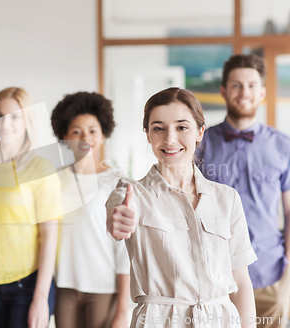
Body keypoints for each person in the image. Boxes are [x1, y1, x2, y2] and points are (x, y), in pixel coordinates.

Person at [107, 87, 257, 328]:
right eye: (158, 128)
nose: (170, 139)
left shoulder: (227, 199)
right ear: (147, 135)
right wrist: (117, 219)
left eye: (181, 127)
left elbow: (241, 281)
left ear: (200, 132)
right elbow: (117, 211)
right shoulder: (132, 193)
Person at [197, 54, 290, 328]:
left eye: (251, 85)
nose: (244, 92)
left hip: (269, 274)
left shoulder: (283, 146)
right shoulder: (200, 145)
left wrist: (289, 273)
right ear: (223, 91)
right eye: (236, 85)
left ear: (261, 93)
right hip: (215, 277)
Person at [0, 87, 62, 328]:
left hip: (28, 286)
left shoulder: (40, 169)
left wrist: (40, 299)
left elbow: (50, 237)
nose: (5, 124)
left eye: (15, 116)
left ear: (27, 121)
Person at [50, 92, 130, 328]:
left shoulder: (119, 181)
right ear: (64, 137)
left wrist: (122, 312)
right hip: (64, 287)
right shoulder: (54, 179)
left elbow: (125, 252)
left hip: (104, 288)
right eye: (76, 131)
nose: (85, 137)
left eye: (93, 130)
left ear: (104, 135)